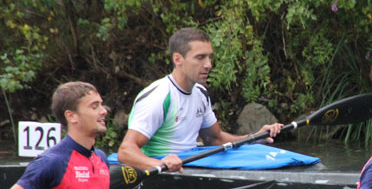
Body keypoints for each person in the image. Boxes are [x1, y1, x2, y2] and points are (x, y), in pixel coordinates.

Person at [0, 82, 176, 189]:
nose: (104, 111)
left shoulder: (100, 158)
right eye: (94, 106)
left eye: (101, 105)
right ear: (71, 116)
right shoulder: (51, 162)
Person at [117, 27, 283, 172]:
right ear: (178, 59)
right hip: (162, 168)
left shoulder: (200, 93)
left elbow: (214, 139)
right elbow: (125, 151)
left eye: (209, 57)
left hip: (189, 163)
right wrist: (159, 163)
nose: (208, 64)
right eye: (200, 57)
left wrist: (254, 138)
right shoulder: (159, 97)